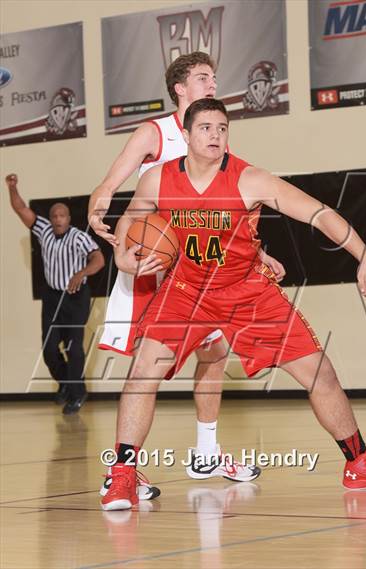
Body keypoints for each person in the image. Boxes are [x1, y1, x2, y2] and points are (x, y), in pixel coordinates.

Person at [101, 98, 366, 510]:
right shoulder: (158, 180)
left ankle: (360, 463)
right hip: (187, 292)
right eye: (206, 128)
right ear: (187, 135)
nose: (215, 135)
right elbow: (131, 219)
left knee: (320, 373)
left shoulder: (250, 179)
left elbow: (318, 213)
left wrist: (365, 254)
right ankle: (123, 473)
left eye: (222, 128)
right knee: (143, 371)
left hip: (247, 291)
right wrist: (125, 253)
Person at [89, 53, 284, 493]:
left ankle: (206, 452)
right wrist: (99, 208)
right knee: (147, 368)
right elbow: (109, 183)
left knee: (214, 355)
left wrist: (257, 254)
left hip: (202, 271)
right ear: (179, 87)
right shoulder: (153, 132)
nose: (212, 83)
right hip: (155, 265)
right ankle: (120, 471)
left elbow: (227, 210)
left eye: (214, 76)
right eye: (202, 77)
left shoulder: (213, 139)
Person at [6, 174, 105, 414]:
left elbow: (99, 259)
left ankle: (76, 394)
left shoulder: (79, 237)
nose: (58, 219)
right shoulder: (43, 230)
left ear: (68, 219)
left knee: (73, 347)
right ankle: (65, 384)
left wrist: (81, 273)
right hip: (52, 297)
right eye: (54, 216)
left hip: (75, 298)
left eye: (62, 216)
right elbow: (20, 209)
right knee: (49, 348)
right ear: (50, 219)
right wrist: (13, 188)